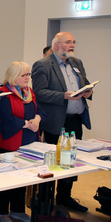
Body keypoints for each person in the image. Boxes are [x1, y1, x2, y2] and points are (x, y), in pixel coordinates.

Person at [32, 31, 92, 212]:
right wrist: (63, 96)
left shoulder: (77, 63)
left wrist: (89, 92)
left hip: (75, 120)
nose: (72, 45)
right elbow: (39, 92)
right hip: (55, 122)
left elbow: (85, 83)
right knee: (52, 164)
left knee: (71, 161)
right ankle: (45, 200)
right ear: (56, 45)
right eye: (68, 42)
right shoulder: (43, 65)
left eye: (73, 42)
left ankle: (65, 197)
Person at [0, 61, 45, 222]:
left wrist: (37, 119)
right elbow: (6, 119)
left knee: (23, 177)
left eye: (28, 74)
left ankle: (18, 210)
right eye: (23, 75)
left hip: (28, 141)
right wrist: (26, 124)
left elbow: (39, 110)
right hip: (10, 142)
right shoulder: (3, 94)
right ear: (14, 76)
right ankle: (2, 211)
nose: (27, 78)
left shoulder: (28, 92)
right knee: (7, 179)